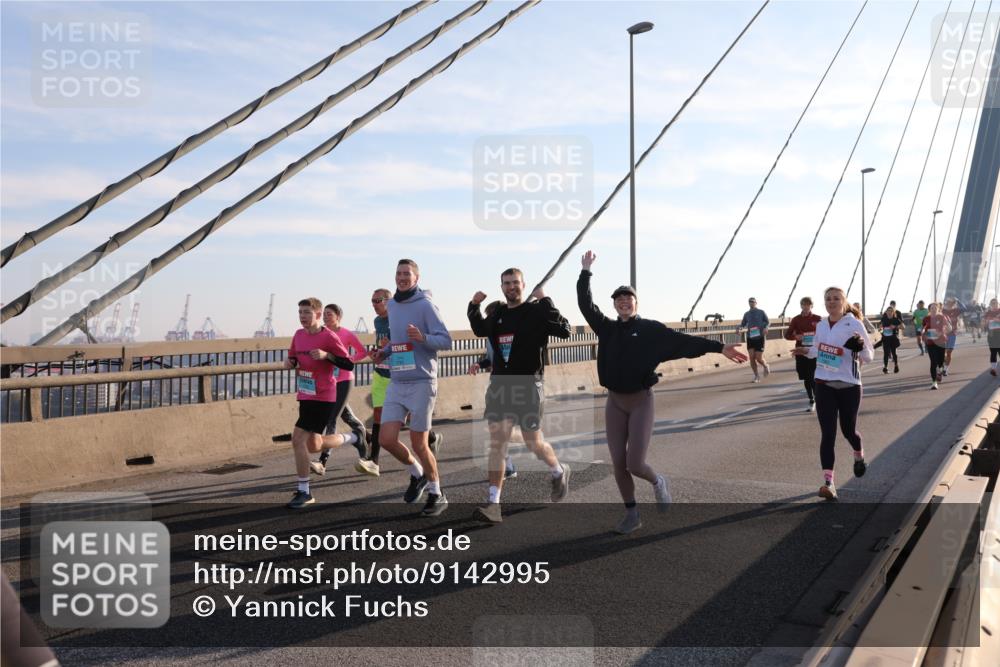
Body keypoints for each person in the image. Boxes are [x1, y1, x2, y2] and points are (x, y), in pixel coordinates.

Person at [578, 250, 747, 534]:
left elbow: (684, 342)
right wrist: (585, 271)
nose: (623, 301)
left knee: (635, 463)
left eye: (627, 298)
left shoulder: (650, 330)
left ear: (636, 303)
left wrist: (720, 347)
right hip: (615, 402)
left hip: (641, 401)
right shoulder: (606, 329)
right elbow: (585, 304)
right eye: (618, 299)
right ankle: (632, 514)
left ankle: (658, 482)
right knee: (618, 463)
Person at [467, 268, 572, 524]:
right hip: (500, 385)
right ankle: (494, 503)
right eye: (506, 283)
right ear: (501, 287)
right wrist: (473, 305)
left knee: (533, 443)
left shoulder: (536, 312)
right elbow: (480, 329)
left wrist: (546, 300)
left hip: (529, 385)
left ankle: (558, 470)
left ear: (523, 285)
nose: (511, 286)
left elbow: (565, 330)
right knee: (497, 442)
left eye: (515, 282)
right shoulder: (499, 313)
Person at [371, 259, 453, 516]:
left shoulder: (426, 305)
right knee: (385, 439)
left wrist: (423, 338)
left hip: (421, 381)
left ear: (417, 278)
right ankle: (417, 474)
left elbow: (446, 340)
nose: (402, 277)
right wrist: (383, 353)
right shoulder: (393, 305)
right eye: (399, 273)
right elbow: (397, 340)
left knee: (419, 443)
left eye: (407, 274)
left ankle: (437, 492)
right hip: (398, 379)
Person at [792, 287, 873, 501]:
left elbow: (869, 355)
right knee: (828, 434)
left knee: (848, 431)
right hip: (824, 383)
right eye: (828, 299)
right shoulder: (820, 325)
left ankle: (858, 454)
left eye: (836, 298)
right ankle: (829, 483)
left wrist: (860, 346)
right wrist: (805, 351)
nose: (831, 302)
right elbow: (818, 350)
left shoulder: (853, 323)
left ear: (844, 301)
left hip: (849, 385)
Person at [284, 298, 359, 509]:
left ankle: (304, 491)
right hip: (305, 394)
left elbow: (348, 363)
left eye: (307, 312)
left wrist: (327, 355)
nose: (302, 316)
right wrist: (289, 362)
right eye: (300, 312)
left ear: (317, 314)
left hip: (324, 395)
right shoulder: (298, 335)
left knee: (297, 439)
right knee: (313, 445)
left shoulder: (329, 336)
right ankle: (353, 437)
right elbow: (294, 358)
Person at [310, 303, 376, 476]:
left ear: (338, 316)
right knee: (347, 417)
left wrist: (347, 360)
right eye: (324, 314)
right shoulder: (322, 334)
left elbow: (363, 352)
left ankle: (322, 461)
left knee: (331, 419)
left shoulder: (346, 334)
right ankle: (364, 438)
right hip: (328, 380)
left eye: (329, 314)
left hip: (344, 380)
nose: (325, 317)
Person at [468, 299, 517, 480]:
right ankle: (509, 465)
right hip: (496, 384)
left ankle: (507, 466)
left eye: (492, 316)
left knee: (503, 431)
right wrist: (478, 364)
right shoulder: (490, 336)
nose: (489, 320)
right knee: (495, 428)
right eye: (488, 317)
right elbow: (491, 359)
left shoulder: (513, 332)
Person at [784, 296, 821, 411]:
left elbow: (824, 334)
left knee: (812, 377)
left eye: (808, 304)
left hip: (814, 352)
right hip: (800, 351)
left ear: (812, 306)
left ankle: (817, 400)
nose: (806, 307)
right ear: (801, 306)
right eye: (804, 304)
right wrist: (796, 336)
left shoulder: (818, 319)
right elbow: (787, 335)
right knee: (806, 378)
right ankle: (811, 398)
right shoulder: (796, 319)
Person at [921, 302, 954, 390]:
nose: (933, 309)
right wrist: (923, 333)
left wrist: (943, 332)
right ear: (929, 310)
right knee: (933, 362)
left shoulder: (942, 317)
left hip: (941, 342)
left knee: (940, 361)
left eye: (935, 308)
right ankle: (934, 382)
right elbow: (923, 329)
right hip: (930, 343)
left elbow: (950, 328)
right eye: (932, 308)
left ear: (938, 309)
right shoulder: (926, 318)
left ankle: (940, 371)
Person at [738, 297, 769, 382]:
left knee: (758, 358)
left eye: (752, 302)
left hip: (759, 337)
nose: (751, 303)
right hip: (750, 337)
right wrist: (739, 328)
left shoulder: (761, 312)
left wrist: (766, 328)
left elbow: (767, 322)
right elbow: (743, 324)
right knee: (751, 357)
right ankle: (756, 376)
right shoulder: (746, 314)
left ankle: (765, 366)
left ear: (756, 303)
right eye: (750, 302)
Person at [941, 296, 966, 375]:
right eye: (948, 302)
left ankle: (945, 369)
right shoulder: (942, 311)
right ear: (946, 303)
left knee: (949, 353)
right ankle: (942, 365)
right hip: (942, 334)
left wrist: (958, 300)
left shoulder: (956, 311)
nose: (950, 304)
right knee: (942, 353)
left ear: (954, 304)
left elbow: (964, 308)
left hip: (952, 334)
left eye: (952, 303)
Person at [879, 305, 903, 374]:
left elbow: (903, 327)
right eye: (888, 311)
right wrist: (880, 328)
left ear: (893, 312)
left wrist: (895, 326)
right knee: (886, 353)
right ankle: (885, 367)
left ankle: (896, 365)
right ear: (886, 312)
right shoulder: (884, 318)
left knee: (894, 353)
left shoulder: (895, 319)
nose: (889, 312)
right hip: (885, 338)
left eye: (891, 311)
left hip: (893, 338)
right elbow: (881, 326)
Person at [985, 298, 1000, 376]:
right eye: (992, 303)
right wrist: (986, 322)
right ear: (990, 304)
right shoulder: (988, 313)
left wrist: (996, 319)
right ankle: (993, 369)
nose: (994, 305)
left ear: (998, 304)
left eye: (995, 303)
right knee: (993, 352)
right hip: (991, 335)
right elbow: (984, 324)